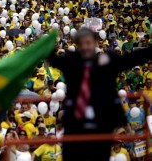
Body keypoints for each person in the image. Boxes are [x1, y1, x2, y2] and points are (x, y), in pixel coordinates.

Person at [48, 28, 152, 161]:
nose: (85, 47)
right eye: (81, 44)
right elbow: (53, 59)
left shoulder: (107, 63)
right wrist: (46, 42)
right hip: (75, 126)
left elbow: (131, 59)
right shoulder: (71, 62)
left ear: (95, 43)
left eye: (88, 43)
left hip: (101, 124)